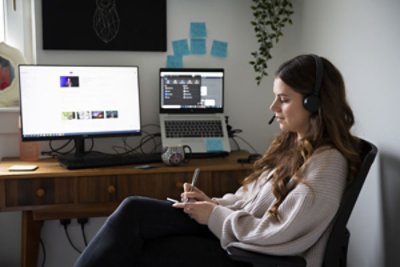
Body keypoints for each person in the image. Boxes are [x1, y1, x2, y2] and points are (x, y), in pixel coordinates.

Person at [74, 54, 361, 267]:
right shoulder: (295, 144)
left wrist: (213, 215)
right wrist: (212, 203)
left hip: (254, 256)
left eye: (283, 99)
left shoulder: (327, 164)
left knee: (146, 250)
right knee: (134, 209)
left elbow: (278, 234)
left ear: (314, 103)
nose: (273, 108)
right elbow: (249, 201)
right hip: (239, 236)